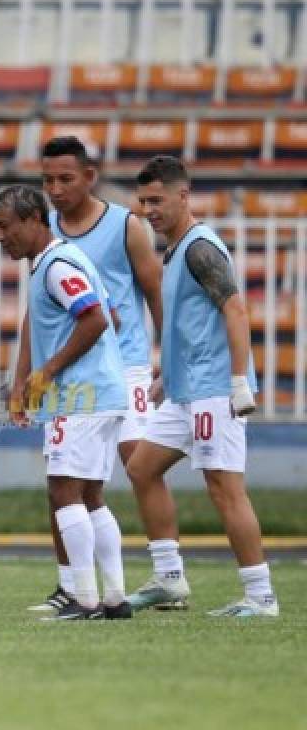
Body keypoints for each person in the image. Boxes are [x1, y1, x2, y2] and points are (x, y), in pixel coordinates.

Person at [125, 156, 278, 618]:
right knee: (140, 468)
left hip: (214, 390)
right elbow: (193, 324)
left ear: (182, 195)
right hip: (186, 389)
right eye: (143, 201)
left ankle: (261, 596)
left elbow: (235, 310)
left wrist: (238, 382)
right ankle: (169, 579)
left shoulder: (199, 248)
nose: (149, 209)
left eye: (157, 200)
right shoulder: (174, 250)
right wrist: (166, 376)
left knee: (224, 489)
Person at [20, 135, 163, 613]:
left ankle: (160, 574)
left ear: (89, 177)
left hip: (102, 375)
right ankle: (105, 593)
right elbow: (61, 315)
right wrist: (26, 373)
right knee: (84, 489)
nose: (56, 188)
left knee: (125, 470)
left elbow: (113, 311)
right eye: (47, 181)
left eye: (65, 178)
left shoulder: (122, 227)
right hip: (96, 376)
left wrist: (166, 354)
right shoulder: (53, 245)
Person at [0, 184, 131, 621]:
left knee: (63, 490)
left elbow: (92, 318)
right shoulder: (66, 261)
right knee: (91, 496)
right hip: (104, 392)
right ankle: (113, 598)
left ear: (34, 220)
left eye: (4, 226)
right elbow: (111, 315)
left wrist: (49, 370)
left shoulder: (55, 264)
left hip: (81, 397)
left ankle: (84, 598)